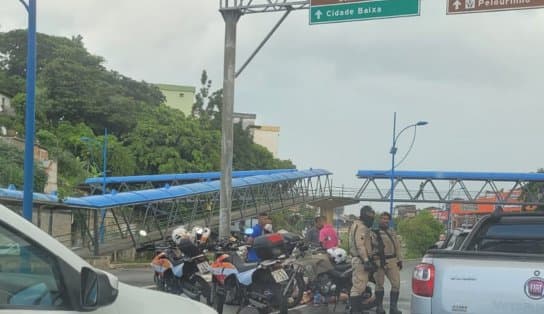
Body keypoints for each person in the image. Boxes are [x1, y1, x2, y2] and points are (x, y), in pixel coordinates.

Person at [370, 212, 403, 314]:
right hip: (379, 261)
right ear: (379, 220)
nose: (385, 220)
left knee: (396, 284)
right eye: (383, 218)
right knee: (379, 284)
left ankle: (393, 308)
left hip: (392, 260)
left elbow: (397, 246)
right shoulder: (373, 232)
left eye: (387, 219)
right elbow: (370, 248)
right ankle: (379, 307)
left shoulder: (392, 231)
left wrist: (400, 259)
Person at [349, 206, 376, 314]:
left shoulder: (356, 224)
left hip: (358, 259)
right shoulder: (361, 227)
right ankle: (355, 311)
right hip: (360, 260)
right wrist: (366, 260)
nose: (372, 219)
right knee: (358, 287)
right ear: (365, 215)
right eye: (370, 216)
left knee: (361, 285)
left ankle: (358, 309)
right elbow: (360, 245)